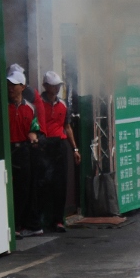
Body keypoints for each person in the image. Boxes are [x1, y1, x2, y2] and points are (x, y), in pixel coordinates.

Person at [40, 71, 81, 232]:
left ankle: (58, 220)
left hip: (60, 145)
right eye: (53, 85)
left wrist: (75, 148)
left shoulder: (63, 105)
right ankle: (42, 220)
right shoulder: (38, 104)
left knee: (60, 184)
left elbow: (67, 127)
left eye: (58, 86)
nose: (56, 88)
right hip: (44, 145)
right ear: (45, 86)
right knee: (43, 184)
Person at [6, 69, 40, 238]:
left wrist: (34, 137)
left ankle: (22, 225)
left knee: (24, 189)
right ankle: (13, 225)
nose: (10, 88)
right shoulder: (4, 106)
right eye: (9, 85)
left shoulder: (30, 108)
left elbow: (34, 128)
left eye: (14, 85)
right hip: (7, 151)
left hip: (24, 152)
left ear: (22, 87)